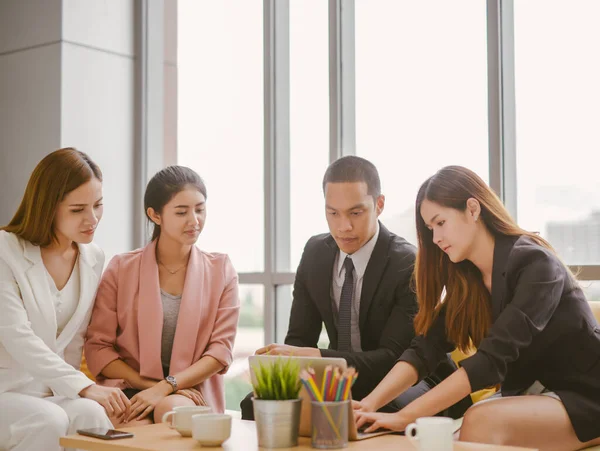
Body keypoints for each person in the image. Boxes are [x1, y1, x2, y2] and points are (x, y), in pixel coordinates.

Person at [355, 165, 600, 451]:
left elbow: (490, 362)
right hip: (531, 394)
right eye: (430, 228)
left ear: (473, 209)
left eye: (441, 223)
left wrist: (403, 417)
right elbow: (425, 349)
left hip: (586, 393)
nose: (435, 239)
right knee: (446, 441)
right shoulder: (469, 279)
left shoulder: (536, 264)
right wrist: (368, 405)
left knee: (479, 421)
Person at [241, 156, 469, 419]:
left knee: (372, 413)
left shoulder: (406, 262)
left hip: (413, 380)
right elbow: (298, 341)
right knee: (256, 404)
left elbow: (391, 358)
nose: (343, 227)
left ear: (379, 205)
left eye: (355, 213)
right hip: (345, 380)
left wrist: (315, 355)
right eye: (333, 213)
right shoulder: (315, 253)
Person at [85, 165, 240, 427]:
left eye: (200, 209)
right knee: (131, 427)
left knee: (173, 413)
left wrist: (169, 387)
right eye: (181, 212)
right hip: (129, 387)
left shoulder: (221, 269)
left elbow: (220, 351)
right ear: (155, 215)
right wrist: (152, 386)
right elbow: (98, 348)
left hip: (190, 391)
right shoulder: (121, 268)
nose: (194, 221)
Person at [0, 148, 125, 451]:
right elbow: (17, 335)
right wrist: (83, 385)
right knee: (49, 420)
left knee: (91, 413)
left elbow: (74, 341)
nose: (91, 218)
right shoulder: (5, 249)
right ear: (48, 207)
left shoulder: (92, 257)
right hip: (6, 391)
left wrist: (81, 393)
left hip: (51, 392)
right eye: (77, 209)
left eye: (98, 205)